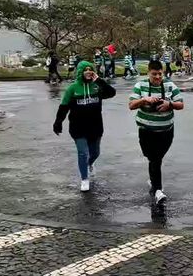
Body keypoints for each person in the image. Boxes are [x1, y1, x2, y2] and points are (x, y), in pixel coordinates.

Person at [53, 61, 117, 192]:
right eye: (85, 70)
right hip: (78, 127)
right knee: (82, 153)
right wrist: (58, 122)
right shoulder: (73, 88)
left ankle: (90, 163)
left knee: (95, 153)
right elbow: (64, 106)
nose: (88, 71)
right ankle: (84, 179)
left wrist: (100, 81)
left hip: (95, 126)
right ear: (80, 72)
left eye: (90, 69)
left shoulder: (97, 86)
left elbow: (111, 93)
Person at [128, 60, 184, 205]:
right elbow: (131, 105)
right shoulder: (140, 86)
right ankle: (156, 185)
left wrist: (169, 104)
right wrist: (144, 100)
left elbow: (181, 104)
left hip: (166, 130)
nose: (158, 77)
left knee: (156, 158)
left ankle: (157, 188)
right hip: (146, 131)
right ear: (148, 73)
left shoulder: (170, 85)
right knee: (152, 157)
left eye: (160, 74)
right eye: (154, 74)